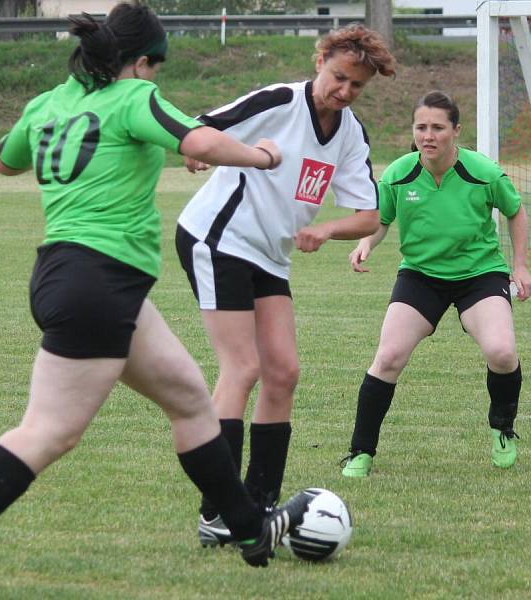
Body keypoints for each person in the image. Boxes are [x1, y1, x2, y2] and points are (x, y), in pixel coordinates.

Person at [0, 4, 312, 598]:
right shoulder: (132, 98)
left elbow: (3, 161)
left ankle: (251, 531)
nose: (154, 80)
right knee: (49, 431)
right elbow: (198, 140)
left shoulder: (47, 103)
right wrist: (264, 156)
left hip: (71, 278)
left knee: (189, 397)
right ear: (139, 62)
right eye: (153, 69)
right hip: (98, 282)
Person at [173, 25, 396, 546]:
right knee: (243, 367)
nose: (344, 91)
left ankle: (260, 505)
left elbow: (368, 214)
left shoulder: (350, 134)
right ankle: (217, 514)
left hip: (269, 256)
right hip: (218, 238)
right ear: (320, 61)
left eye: (356, 86)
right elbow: (203, 127)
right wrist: (197, 150)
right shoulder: (279, 100)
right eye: (339, 77)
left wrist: (327, 228)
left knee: (284, 372)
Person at [340, 90, 531, 478]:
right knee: (389, 356)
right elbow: (380, 221)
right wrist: (366, 245)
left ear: (456, 131)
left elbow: (515, 211)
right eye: (421, 127)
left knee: (501, 351)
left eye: (437, 128)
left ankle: (502, 428)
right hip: (420, 276)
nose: (428, 136)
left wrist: (520, 265)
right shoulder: (399, 173)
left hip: (480, 275)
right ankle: (360, 452)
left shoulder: (483, 171)